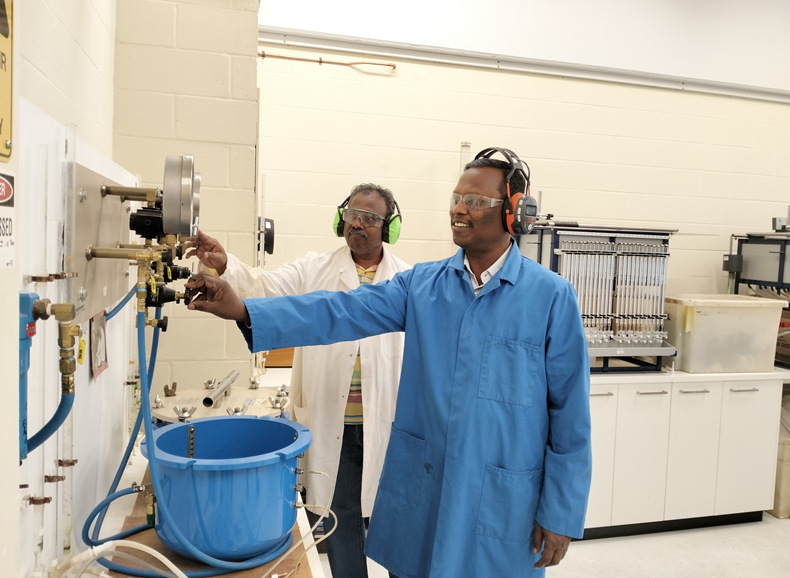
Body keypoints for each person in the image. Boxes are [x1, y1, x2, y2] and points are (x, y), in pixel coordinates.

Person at [185, 149, 592, 578]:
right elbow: (338, 311)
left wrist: (561, 511)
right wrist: (246, 310)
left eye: (475, 202)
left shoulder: (550, 297)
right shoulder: (422, 285)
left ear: (512, 213)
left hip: (502, 496)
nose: (458, 209)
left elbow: (570, 417)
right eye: (456, 198)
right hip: (427, 483)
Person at [185, 183, 411, 578]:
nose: (357, 223)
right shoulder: (314, 268)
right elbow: (265, 287)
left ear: (388, 228)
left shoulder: (408, 279)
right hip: (333, 421)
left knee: (398, 518)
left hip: (388, 424)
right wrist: (225, 265)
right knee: (341, 519)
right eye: (352, 213)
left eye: (371, 218)